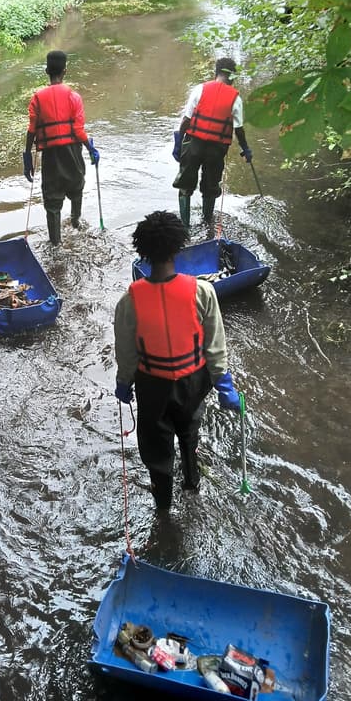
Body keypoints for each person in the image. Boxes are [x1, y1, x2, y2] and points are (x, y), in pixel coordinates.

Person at [113, 211, 242, 511]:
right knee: (189, 428)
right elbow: (214, 344)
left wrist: (124, 382)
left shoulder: (129, 300)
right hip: (192, 382)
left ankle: (163, 507)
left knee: (156, 445)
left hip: (152, 385)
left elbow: (126, 350)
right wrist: (224, 384)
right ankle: (192, 483)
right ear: (178, 249)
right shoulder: (202, 291)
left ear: (142, 253)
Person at [23, 50, 99, 245]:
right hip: (72, 152)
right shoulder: (73, 96)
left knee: (52, 200)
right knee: (76, 187)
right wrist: (90, 149)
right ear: (65, 71)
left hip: (50, 156)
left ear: (47, 71)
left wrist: (27, 157)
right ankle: (75, 223)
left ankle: (55, 243)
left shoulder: (37, 98)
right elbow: (78, 130)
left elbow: (32, 130)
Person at [172, 56, 253, 228]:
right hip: (216, 149)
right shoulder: (236, 99)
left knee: (185, 184)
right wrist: (245, 148)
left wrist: (178, 143)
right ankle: (207, 224)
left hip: (193, 144)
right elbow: (238, 129)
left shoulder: (200, 89)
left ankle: (185, 227)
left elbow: (186, 120)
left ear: (215, 73)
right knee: (210, 186)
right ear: (232, 77)